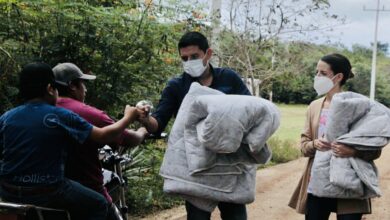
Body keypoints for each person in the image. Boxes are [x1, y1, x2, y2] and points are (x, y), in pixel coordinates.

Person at [0, 62, 140, 220]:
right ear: (50, 89)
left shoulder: (7, 117)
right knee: (98, 204)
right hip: (49, 190)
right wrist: (129, 117)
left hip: (8, 191)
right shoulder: (58, 115)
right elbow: (103, 135)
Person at [138, 31, 251, 220]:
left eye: (194, 56)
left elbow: (250, 110)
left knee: (236, 216)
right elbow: (157, 123)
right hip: (196, 166)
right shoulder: (176, 86)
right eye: (184, 58)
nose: (189, 61)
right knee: (197, 217)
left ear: (208, 54)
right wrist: (145, 118)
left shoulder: (229, 79)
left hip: (228, 165)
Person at [288, 53, 382, 220]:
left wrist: (352, 152)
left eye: (323, 73)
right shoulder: (314, 107)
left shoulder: (359, 107)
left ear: (338, 77)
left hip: (350, 184)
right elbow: (304, 145)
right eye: (316, 72)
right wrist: (315, 144)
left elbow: (374, 151)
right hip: (317, 182)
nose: (317, 77)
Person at [53, 62, 148, 219]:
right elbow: (127, 138)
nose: (86, 89)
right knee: (103, 206)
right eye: (83, 83)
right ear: (72, 86)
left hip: (44, 191)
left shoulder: (42, 109)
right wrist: (142, 130)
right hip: (85, 189)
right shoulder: (85, 112)